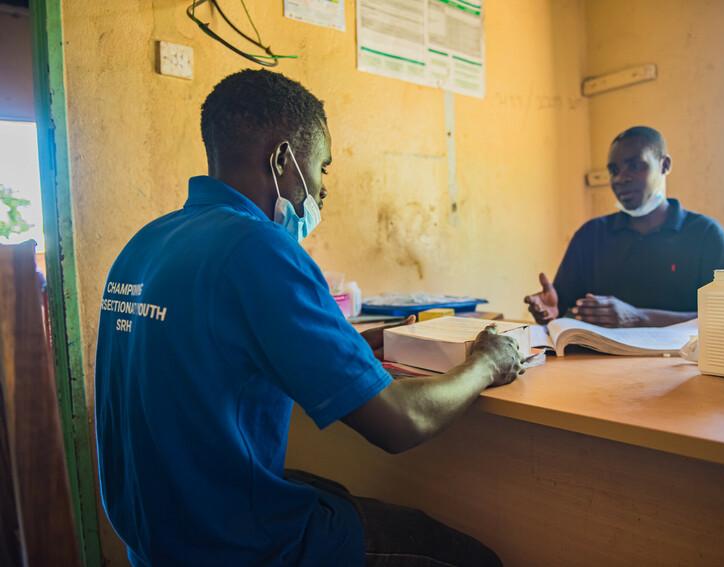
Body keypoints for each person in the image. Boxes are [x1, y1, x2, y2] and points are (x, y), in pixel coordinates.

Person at [95, 69, 523, 567]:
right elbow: (401, 423)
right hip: (240, 549)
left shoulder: (146, 242)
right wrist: (488, 363)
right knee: (473, 559)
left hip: (160, 540)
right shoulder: (257, 246)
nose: (322, 192)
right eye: (322, 167)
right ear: (282, 160)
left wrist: (357, 343)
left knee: (332, 490)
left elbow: (220, 349)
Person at [525, 126, 724, 328]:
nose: (620, 178)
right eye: (613, 170)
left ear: (664, 165)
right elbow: (561, 307)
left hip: (682, 364)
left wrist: (639, 317)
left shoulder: (704, 234)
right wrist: (553, 310)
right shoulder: (591, 235)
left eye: (635, 166)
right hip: (598, 364)